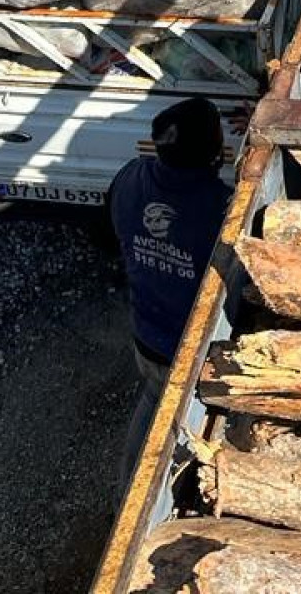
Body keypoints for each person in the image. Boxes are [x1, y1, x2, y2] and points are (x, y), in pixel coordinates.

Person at [109, 96, 231, 487]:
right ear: (215, 152)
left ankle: (128, 486)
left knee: (154, 396)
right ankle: (146, 493)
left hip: (145, 335)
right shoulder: (218, 208)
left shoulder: (130, 175)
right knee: (176, 424)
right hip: (187, 348)